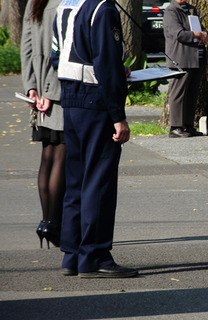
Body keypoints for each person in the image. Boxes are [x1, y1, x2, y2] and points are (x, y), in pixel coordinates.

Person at [51, 0, 138, 277]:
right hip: (95, 103)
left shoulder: (65, 6)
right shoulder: (103, 8)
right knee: (99, 181)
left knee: (75, 181)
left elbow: (56, 55)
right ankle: (95, 255)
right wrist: (118, 115)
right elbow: (107, 63)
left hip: (71, 99)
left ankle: (72, 254)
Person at [21, 0, 65, 249]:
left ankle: (46, 221)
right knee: (60, 155)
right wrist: (47, 89)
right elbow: (58, 51)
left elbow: (26, 46)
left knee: (48, 154)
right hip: (56, 90)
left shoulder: (36, 1)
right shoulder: (61, 3)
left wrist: (31, 87)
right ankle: (54, 223)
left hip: (39, 88)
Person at [163, 0, 208, 138]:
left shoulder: (191, 9)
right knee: (179, 93)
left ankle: (188, 125)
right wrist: (197, 35)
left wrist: (205, 34)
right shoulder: (171, 10)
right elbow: (178, 34)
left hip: (196, 58)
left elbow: (201, 29)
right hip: (181, 58)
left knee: (192, 93)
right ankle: (176, 127)